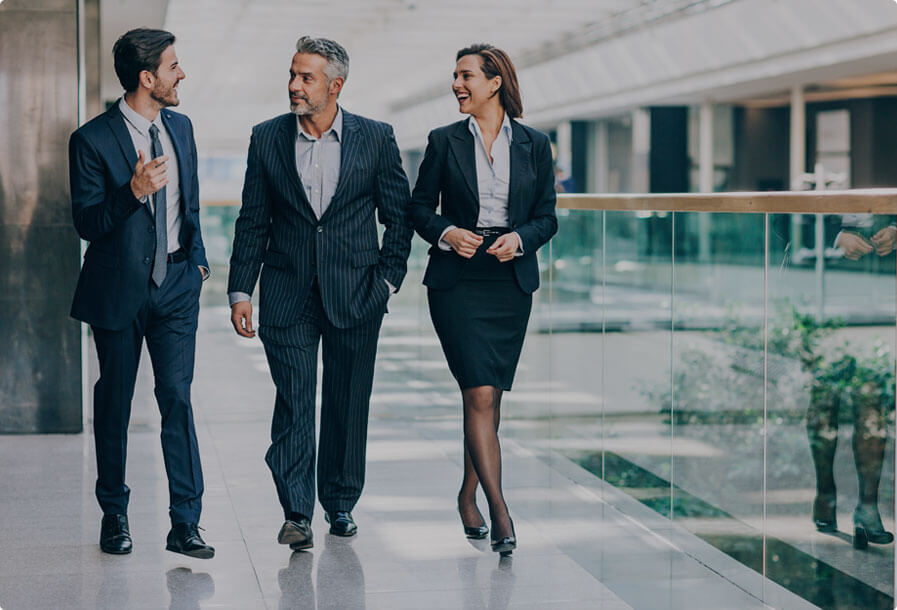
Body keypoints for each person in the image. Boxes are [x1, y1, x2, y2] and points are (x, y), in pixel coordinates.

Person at [227, 36, 412, 551]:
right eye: (292, 74)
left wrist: (387, 281)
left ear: (335, 85)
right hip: (287, 295)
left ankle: (341, 502)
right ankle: (296, 512)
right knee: (294, 402)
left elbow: (399, 217)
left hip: (358, 293)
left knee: (348, 402)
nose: (293, 85)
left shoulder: (375, 138)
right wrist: (241, 290)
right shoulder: (266, 138)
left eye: (306, 77)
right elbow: (252, 220)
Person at [407, 43, 558, 555]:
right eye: (455, 75)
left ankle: (467, 495)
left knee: (488, 397)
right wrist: (448, 232)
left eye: (466, 75)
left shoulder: (535, 144)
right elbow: (419, 207)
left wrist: (522, 239)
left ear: (495, 82)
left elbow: (547, 215)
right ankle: (499, 509)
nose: (457, 84)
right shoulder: (443, 140)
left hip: (508, 279)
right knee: (479, 394)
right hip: (459, 281)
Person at [69, 28, 213, 558]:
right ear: (147, 78)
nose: (182, 75)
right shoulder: (91, 140)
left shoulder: (182, 127)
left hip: (176, 285)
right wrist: (132, 192)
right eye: (174, 66)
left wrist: (196, 265)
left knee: (177, 397)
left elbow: (190, 206)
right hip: (117, 291)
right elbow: (87, 222)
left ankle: (186, 523)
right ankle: (115, 514)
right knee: (115, 403)